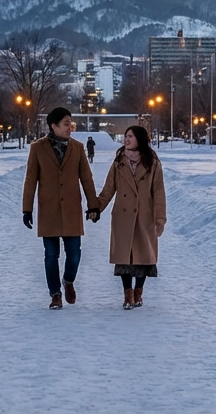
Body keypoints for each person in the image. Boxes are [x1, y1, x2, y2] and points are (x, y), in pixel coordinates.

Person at [22, 107, 98, 310]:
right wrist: (27, 209)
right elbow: (31, 180)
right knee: (50, 255)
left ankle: (68, 281)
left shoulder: (78, 148)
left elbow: (87, 179)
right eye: (65, 124)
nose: (69, 128)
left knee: (75, 254)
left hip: (72, 209)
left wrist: (94, 205)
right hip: (49, 210)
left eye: (70, 123)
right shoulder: (38, 148)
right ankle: (55, 294)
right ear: (53, 126)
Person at [94, 124, 166, 310]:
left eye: (130, 136)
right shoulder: (119, 162)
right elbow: (109, 189)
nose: (126, 139)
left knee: (142, 256)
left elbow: (159, 193)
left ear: (139, 139)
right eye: (126, 136)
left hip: (144, 216)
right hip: (123, 216)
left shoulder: (153, 163)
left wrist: (160, 218)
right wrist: (97, 208)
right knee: (124, 257)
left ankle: (138, 292)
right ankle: (128, 294)